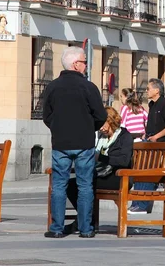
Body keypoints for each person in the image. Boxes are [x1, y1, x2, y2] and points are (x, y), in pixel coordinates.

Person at [43, 46, 108, 239]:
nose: (86, 66)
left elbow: (46, 116)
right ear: (75, 64)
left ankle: (56, 228)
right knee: (85, 185)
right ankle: (86, 229)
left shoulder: (52, 87)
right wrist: (89, 128)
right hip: (84, 143)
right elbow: (101, 115)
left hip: (61, 143)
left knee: (59, 185)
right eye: (84, 62)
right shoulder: (88, 87)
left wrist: (57, 128)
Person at [65, 106, 133, 233]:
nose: (100, 128)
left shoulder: (125, 136)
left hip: (118, 177)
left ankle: (83, 221)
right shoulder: (101, 138)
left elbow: (124, 161)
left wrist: (100, 157)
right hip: (101, 175)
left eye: (102, 124)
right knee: (71, 185)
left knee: (84, 185)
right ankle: (86, 218)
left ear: (111, 121)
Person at [128, 78, 165, 215]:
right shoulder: (152, 105)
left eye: (148, 88)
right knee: (139, 172)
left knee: (149, 174)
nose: (146, 91)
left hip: (159, 146)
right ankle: (136, 203)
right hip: (149, 144)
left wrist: (156, 137)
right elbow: (152, 125)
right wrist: (146, 134)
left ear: (157, 90)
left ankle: (142, 205)